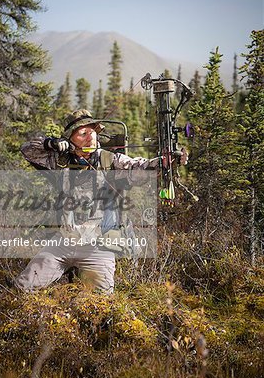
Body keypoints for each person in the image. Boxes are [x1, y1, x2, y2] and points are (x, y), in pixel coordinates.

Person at [15, 109, 188, 293]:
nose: (90, 137)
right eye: (83, 133)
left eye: (93, 131)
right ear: (70, 139)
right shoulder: (59, 160)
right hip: (63, 241)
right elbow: (27, 150)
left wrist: (165, 161)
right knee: (22, 288)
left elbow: (139, 167)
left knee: (101, 301)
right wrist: (51, 143)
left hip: (97, 247)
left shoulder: (109, 160)